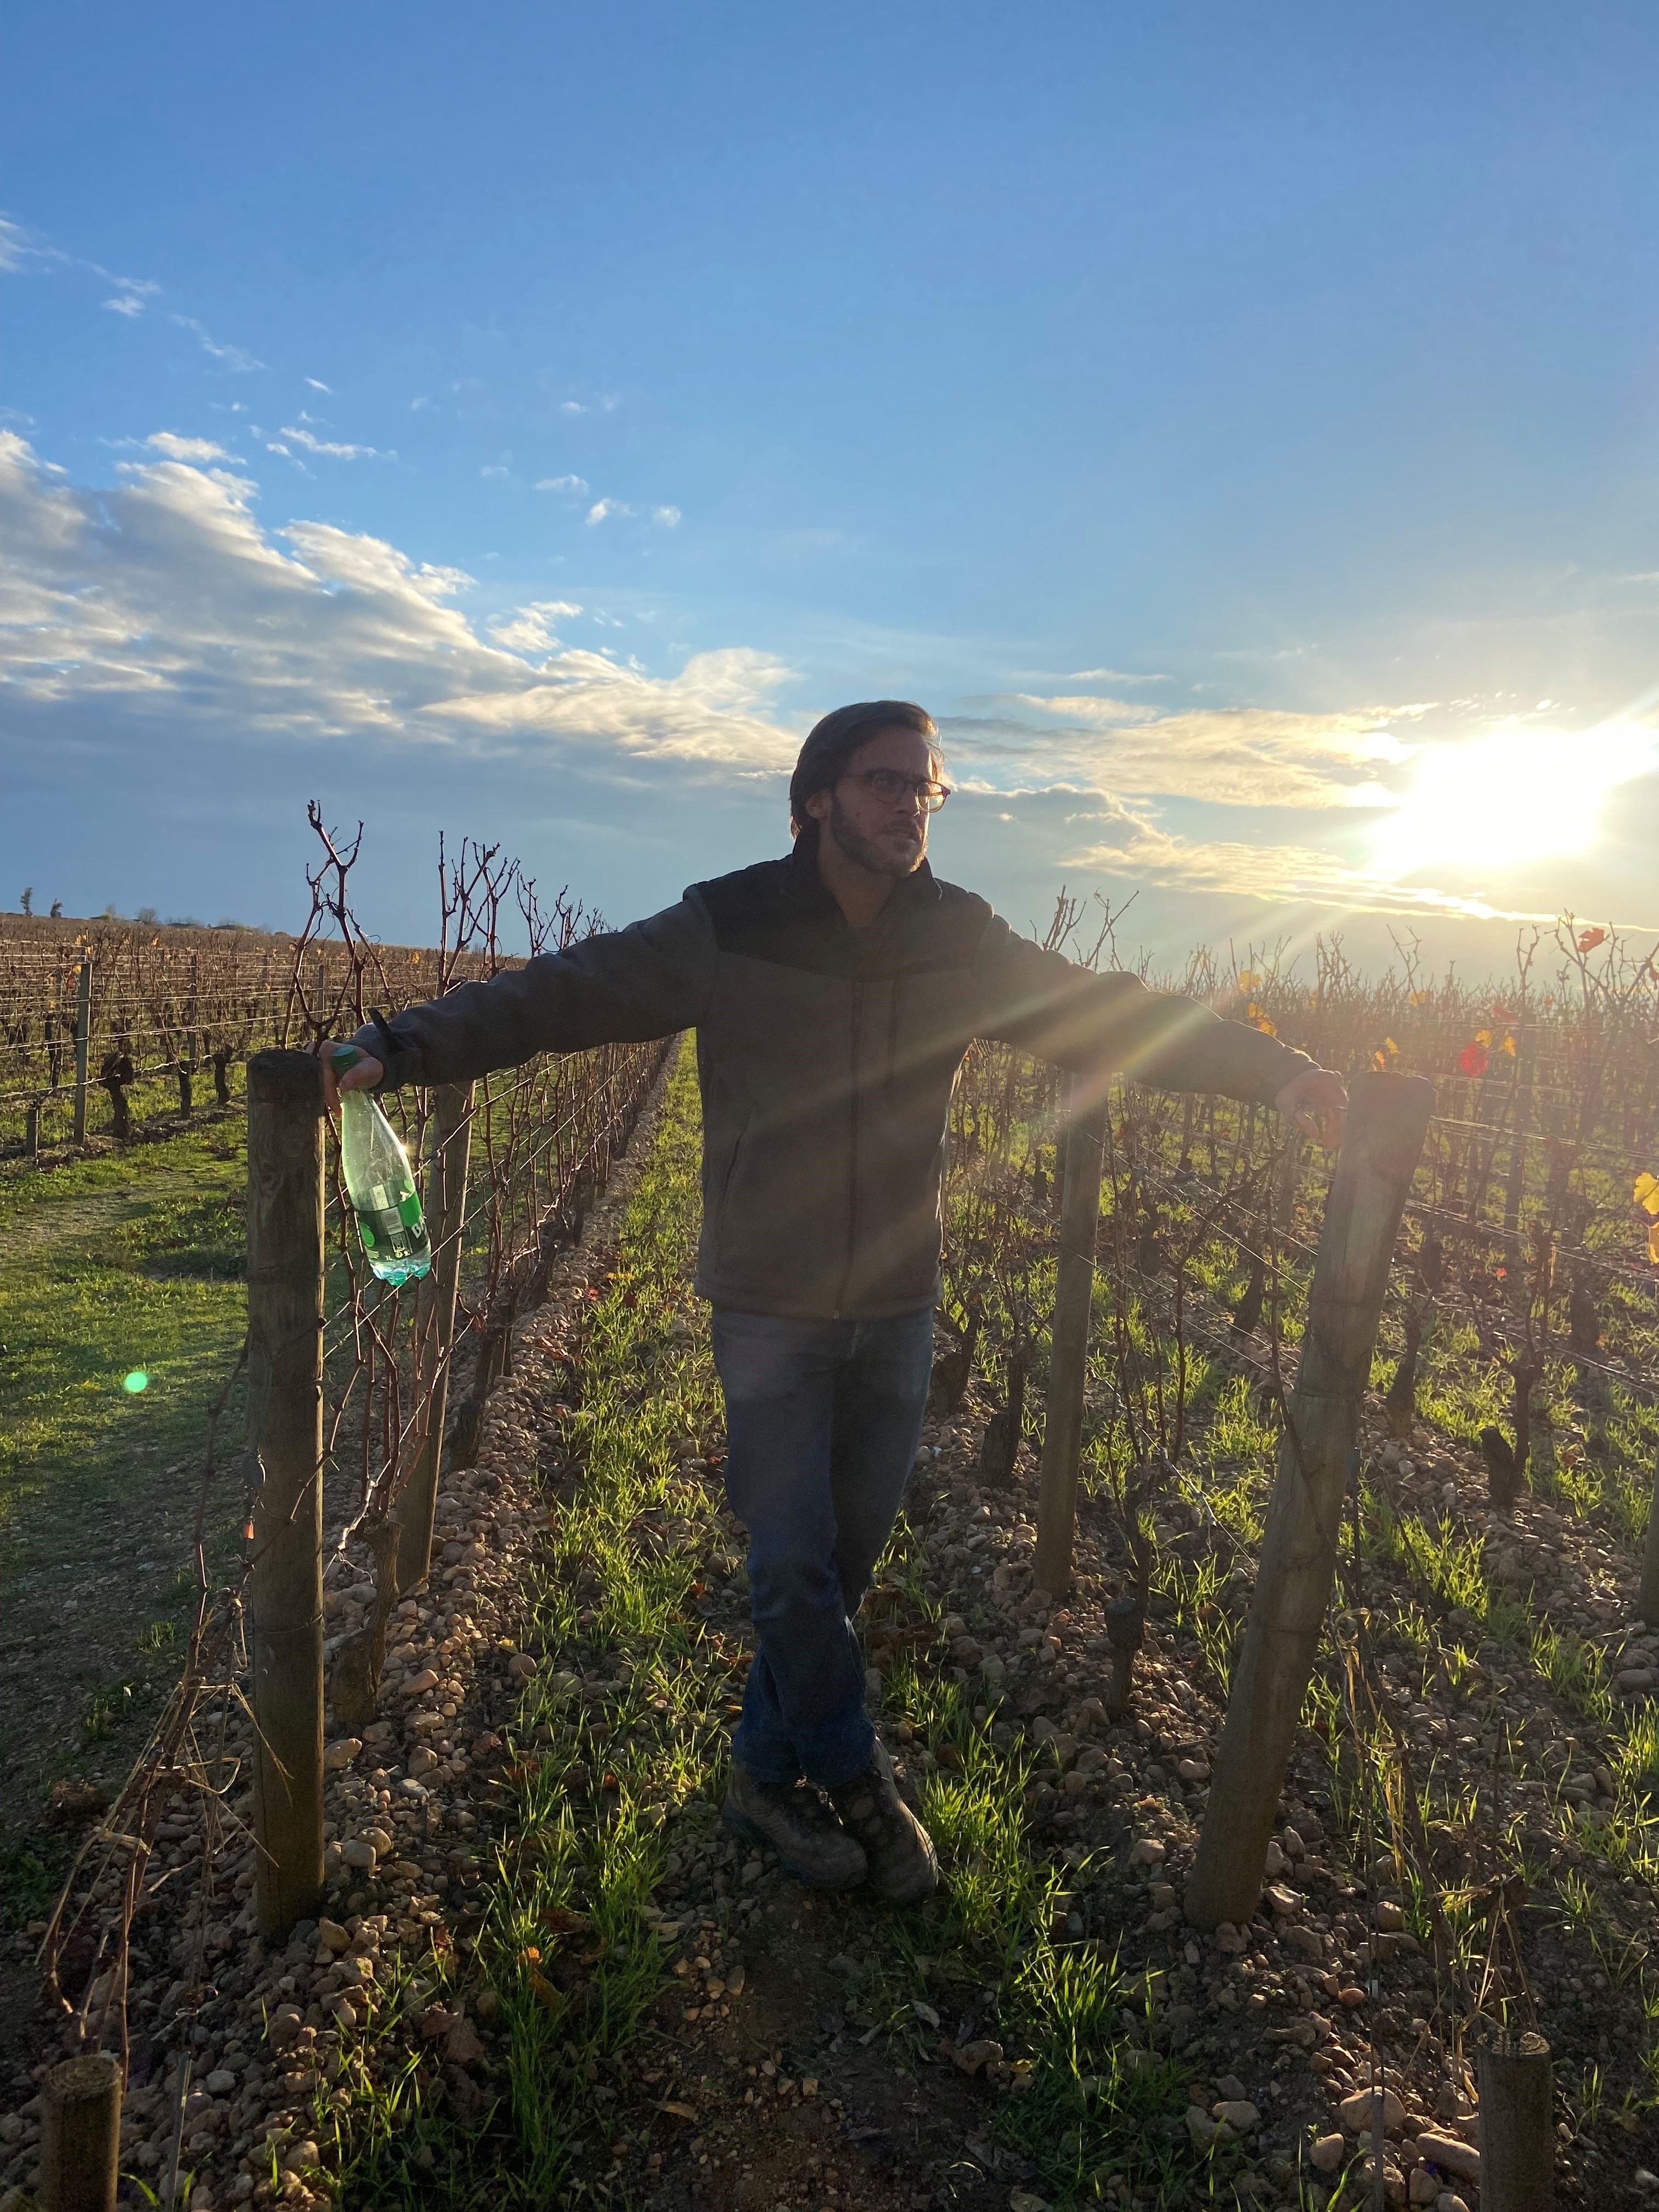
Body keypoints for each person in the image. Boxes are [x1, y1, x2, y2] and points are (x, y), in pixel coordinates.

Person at [322, 700, 1347, 1905]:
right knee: (789, 1563)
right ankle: (860, 1781)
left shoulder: (960, 939)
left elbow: (1108, 1014)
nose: (911, 805)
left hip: (899, 1301)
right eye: (884, 782)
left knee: (843, 1564)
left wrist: (1275, 1072)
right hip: (770, 1300)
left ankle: (761, 1774)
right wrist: (401, 1046)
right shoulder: (731, 923)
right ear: (815, 799)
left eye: (927, 787)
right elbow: (563, 994)